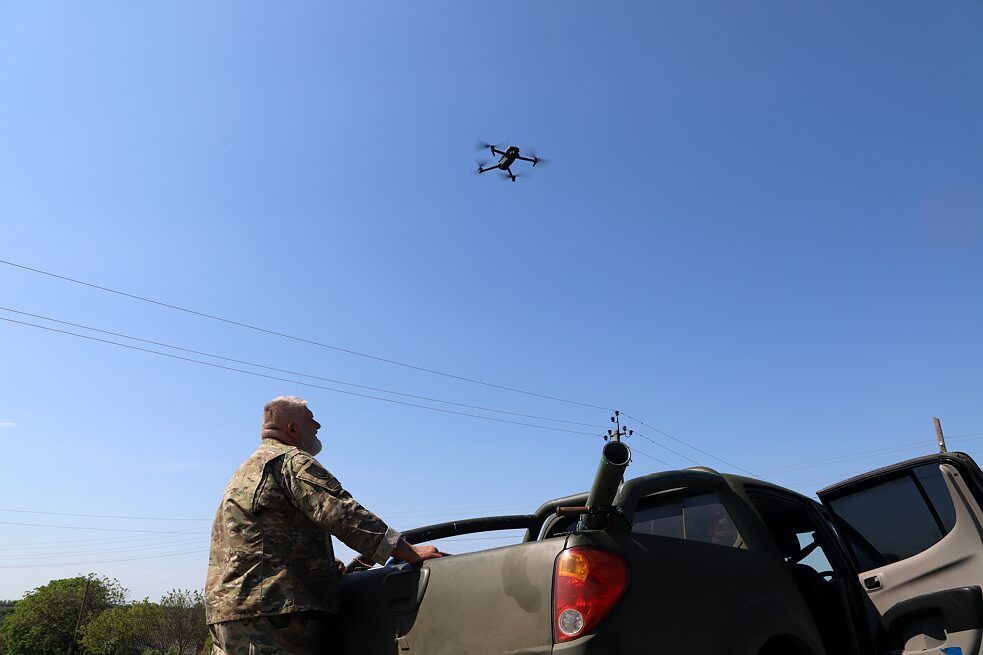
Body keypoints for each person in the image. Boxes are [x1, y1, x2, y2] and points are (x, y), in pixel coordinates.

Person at [205, 395, 442, 654]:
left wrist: (323, 564)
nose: (317, 425)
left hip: (229, 614)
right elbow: (342, 514)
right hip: (269, 615)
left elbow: (259, 540)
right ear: (292, 428)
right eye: (311, 419)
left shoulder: (244, 473)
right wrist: (406, 551)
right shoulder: (291, 461)